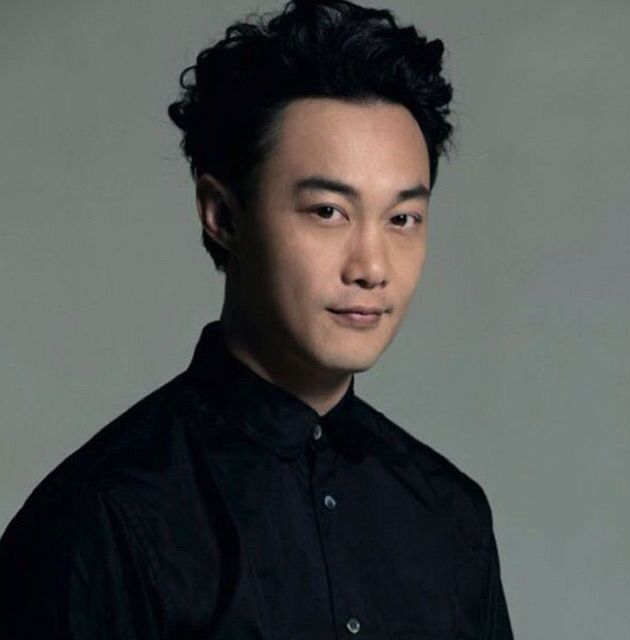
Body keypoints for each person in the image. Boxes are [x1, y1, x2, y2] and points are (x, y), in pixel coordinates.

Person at [0, 0, 515, 637]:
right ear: (223, 214)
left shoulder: (450, 515)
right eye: (328, 212)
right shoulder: (100, 519)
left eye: (402, 218)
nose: (372, 266)